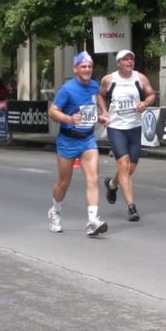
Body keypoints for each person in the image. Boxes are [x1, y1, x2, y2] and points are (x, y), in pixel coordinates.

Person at [46, 51, 108, 236]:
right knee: (64, 182)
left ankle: (92, 220)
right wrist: (69, 119)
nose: (87, 69)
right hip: (67, 139)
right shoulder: (67, 89)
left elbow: (96, 99)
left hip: (88, 139)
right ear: (75, 69)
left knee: (93, 179)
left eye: (89, 66)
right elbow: (52, 111)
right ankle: (55, 211)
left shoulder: (94, 86)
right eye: (83, 66)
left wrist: (102, 114)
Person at [97, 49, 157, 222]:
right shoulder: (109, 80)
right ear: (118, 63)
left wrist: (145, 103)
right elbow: (100, 96)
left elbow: (151, 94)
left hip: (134, 127)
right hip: (116, 127)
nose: (129, 62)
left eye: (131, 59)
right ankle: (131, 207)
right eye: (125, 59)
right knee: (123, 166)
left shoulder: (140, 78)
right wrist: (104, 111)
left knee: (130, 169)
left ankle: (111, 184)